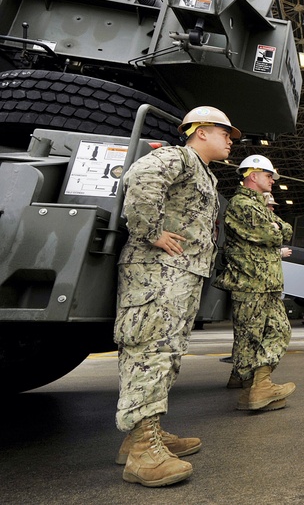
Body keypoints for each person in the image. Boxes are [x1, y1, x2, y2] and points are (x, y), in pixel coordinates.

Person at [114, 105, 238, 487]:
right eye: (225, 134)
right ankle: (141, 454)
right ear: (200, 131)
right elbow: (140, 179)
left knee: (166, 353)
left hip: (180, 274)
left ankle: (145, 433)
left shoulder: (203, 172)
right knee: (150, 351)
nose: (230, 141)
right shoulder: (177, 155)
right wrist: (152, 232)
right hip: (157, 274)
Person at [215, 155, 295, 412]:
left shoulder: (258, 206)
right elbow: (269, 233)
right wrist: (274, 228)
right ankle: (253, 390)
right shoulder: (241, 205)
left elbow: (286, 229)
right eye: (269, 175)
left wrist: (275, 227)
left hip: (266, 283)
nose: (272, 180)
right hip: (250, 282)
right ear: (253, 175)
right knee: (249, 339)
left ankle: (259, 387)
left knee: (279, 331)